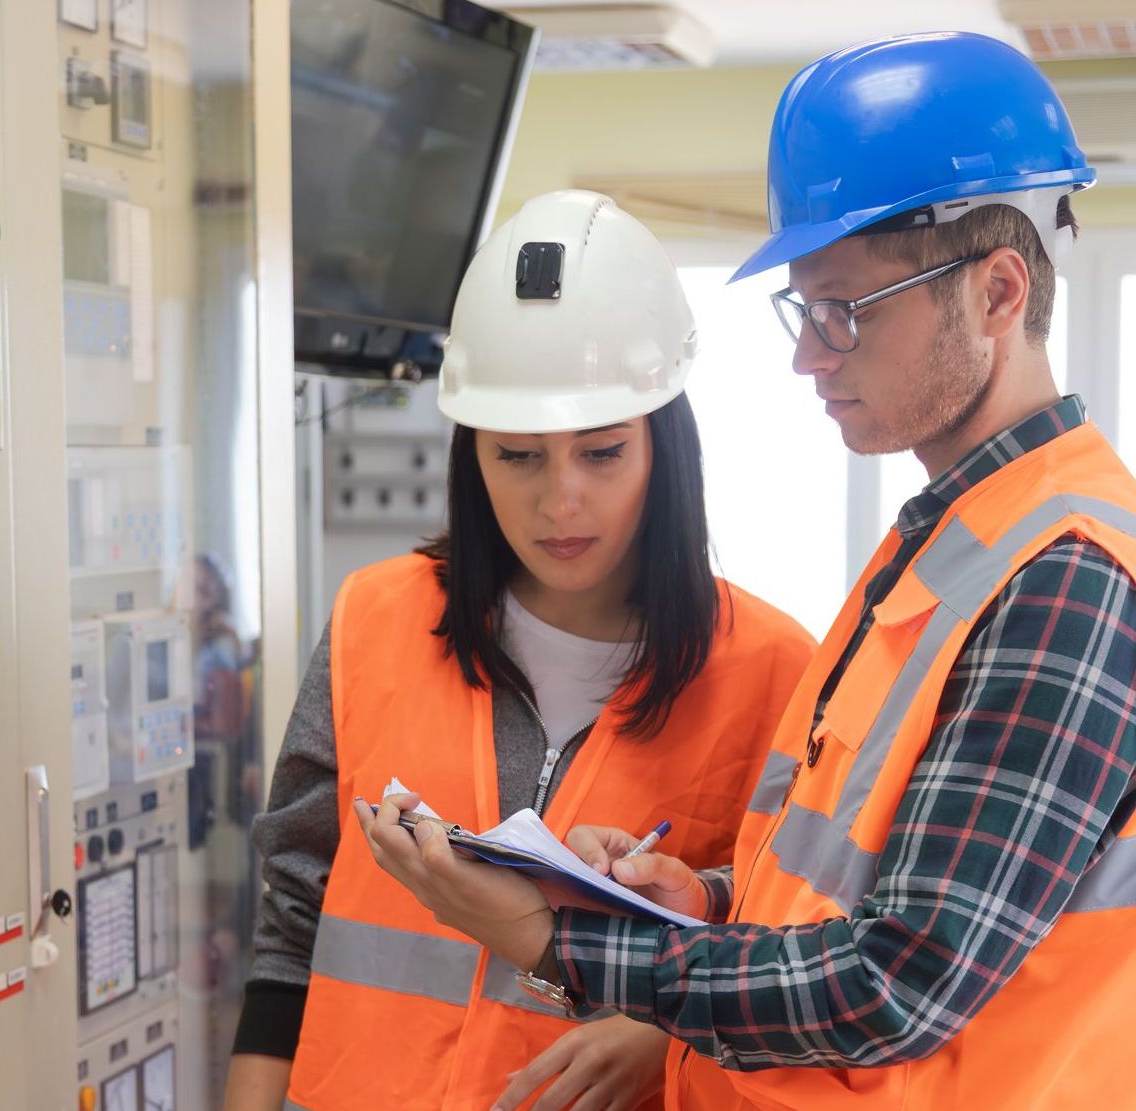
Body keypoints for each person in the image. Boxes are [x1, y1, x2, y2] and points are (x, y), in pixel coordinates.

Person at [358, 31, 1136, 1110]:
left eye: (844, 311)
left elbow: (897, 982)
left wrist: (556, 938)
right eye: (802, 310)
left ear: (999, 292)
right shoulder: (952, 541)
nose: (810, 355)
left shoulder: (1071, 584)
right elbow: (872, 886)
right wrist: (712, 897)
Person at [224, 190, 815, 1111]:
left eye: (602, 453)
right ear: (472, 455)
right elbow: (290, 920)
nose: (560, 501)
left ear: (666, 447)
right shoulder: (375, 618)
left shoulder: (775, 669)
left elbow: (796, 954)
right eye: (519, 455)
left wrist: (664, 1028)